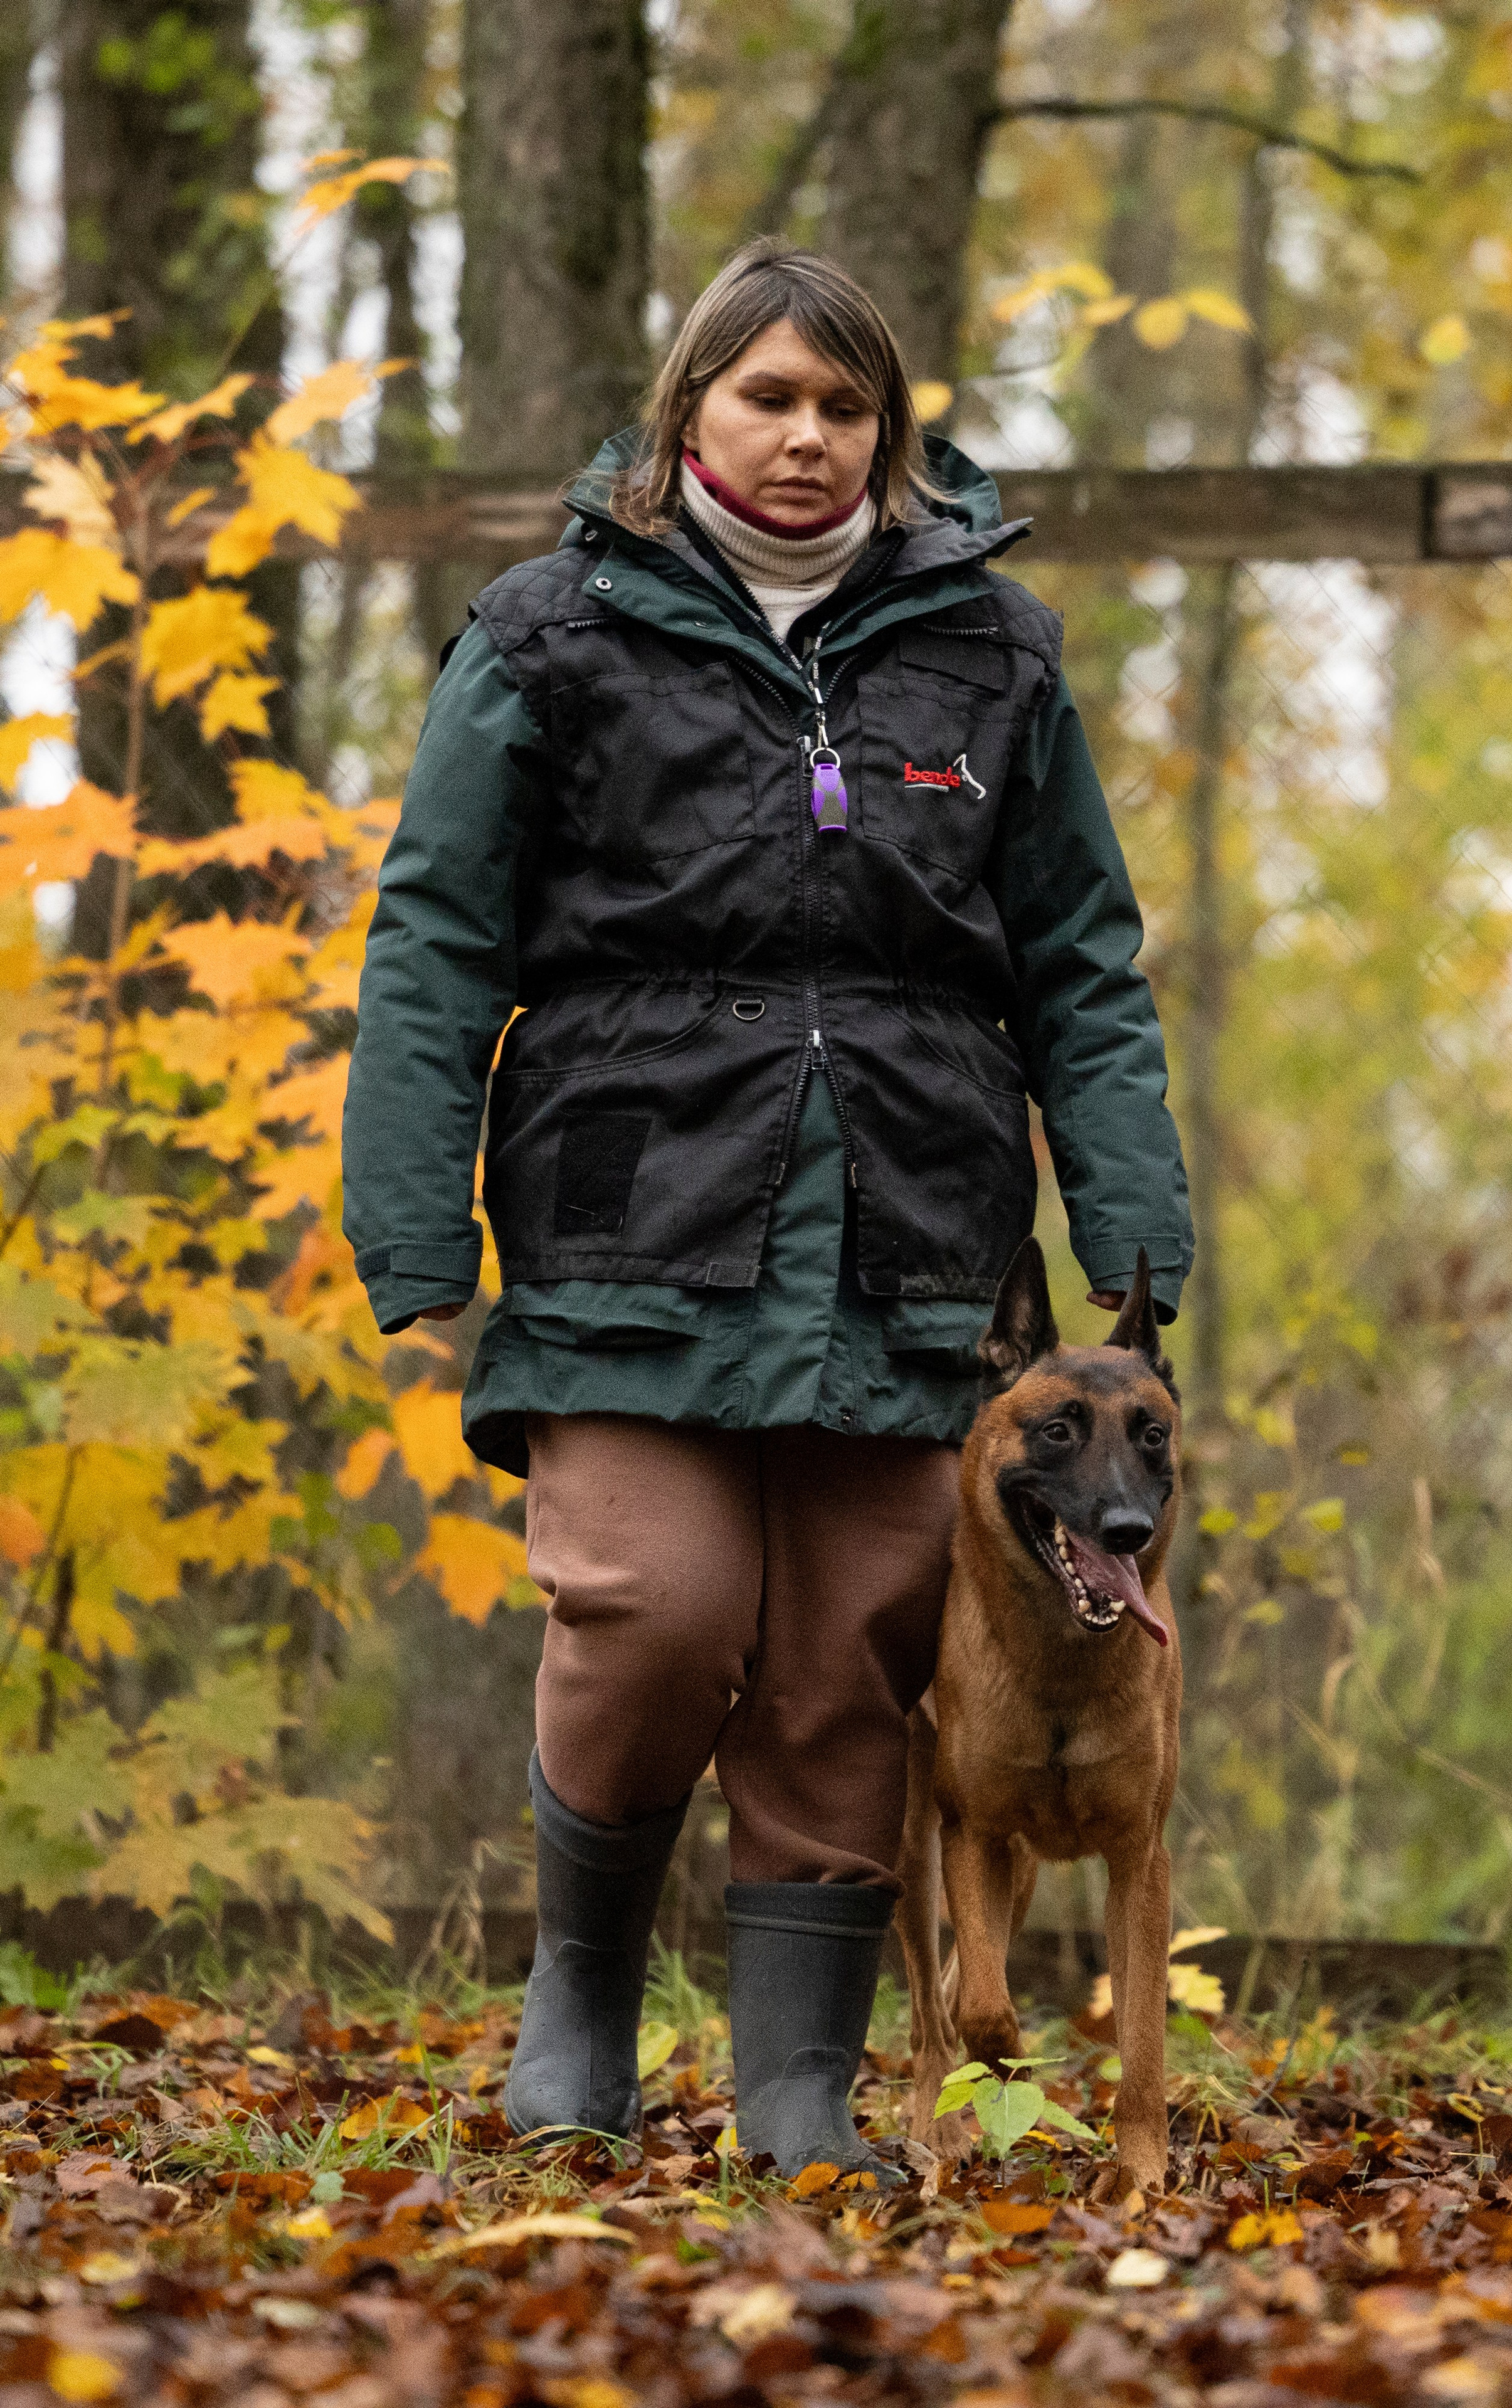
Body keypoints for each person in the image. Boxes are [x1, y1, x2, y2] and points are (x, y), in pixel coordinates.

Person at [341, 241, 1193, 2184]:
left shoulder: (997, 649)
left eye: (845, 408)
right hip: (629, 1207)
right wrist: (411, 1219)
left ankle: (798, 2081)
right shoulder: (551, 632)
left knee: (855, 1651)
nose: (808, 441)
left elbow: (1078, 952)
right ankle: (582, 1990)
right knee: (658, 1605)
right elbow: (437, 936)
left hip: (919, 1227)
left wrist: (1129, 1212)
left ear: (890, 431)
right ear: (689, 413)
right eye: (768, 400)